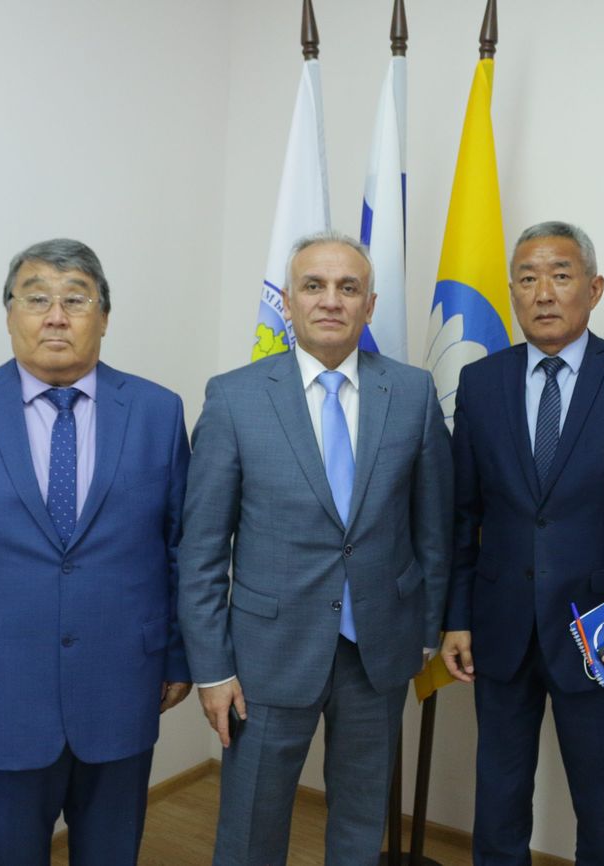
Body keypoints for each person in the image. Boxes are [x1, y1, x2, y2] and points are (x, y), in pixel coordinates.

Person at [0, 239, 192, 866]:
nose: (56, 316)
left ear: (104, 317)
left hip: (123, 685)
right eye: (36, 299)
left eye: (76, 300)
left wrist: (178, 654)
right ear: (9, 313)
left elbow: (180, 548)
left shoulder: (158, 411)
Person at [178, 231, 452, 865]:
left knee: (361, 824)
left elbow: (433, 527)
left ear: (370, 305)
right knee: (251, 827)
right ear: (289, 301)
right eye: (314, 286)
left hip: (378, 651)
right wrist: (213, 669)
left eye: (348, 287)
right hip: (266, 657)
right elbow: (201, 550)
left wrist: (426, 631)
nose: (331, 300)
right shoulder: (235, 396)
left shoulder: (412, 393)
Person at [440, 221, 604, 865]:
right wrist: (456, 617)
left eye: (560, 275)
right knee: (497, 803)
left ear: (594, 288)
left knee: (603, 808)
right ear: (512, 292)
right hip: (501, 630)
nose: (543, 293)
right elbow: (461, 514)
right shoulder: (482, 383)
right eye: (527, 278)